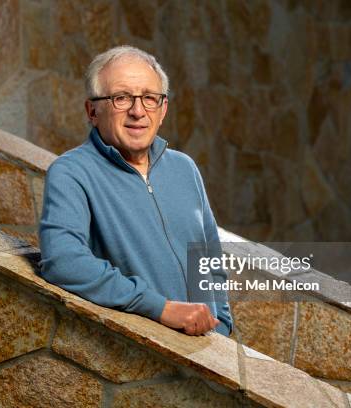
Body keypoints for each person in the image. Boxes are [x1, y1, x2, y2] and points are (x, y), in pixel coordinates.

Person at [39, 45, 233, 336]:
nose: (138, 111)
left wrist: (223, 326)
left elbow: (211, 259)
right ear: (92, 110)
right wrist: (160, 308)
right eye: (121, 98)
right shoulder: (71, 173)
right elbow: (63, 262)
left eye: (149, 98)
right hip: (145, 357)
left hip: (210, 353)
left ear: (163, 109)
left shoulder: (185, 168)